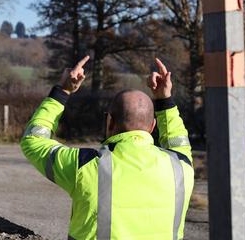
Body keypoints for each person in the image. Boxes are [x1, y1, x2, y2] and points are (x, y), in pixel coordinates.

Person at [20, 56, 194, 240]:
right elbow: (177, 140)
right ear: (152, 127)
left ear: (109, 122)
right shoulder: (181, 168)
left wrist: (62, 91)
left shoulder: (85, 165)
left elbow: (34, 139)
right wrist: (165, 100)